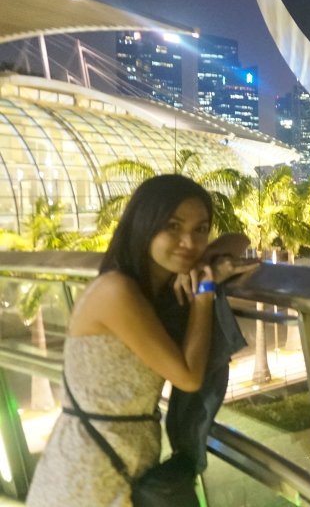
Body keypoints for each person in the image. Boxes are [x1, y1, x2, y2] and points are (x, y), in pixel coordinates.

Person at [26, 175, 256, 506]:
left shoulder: (151, 290)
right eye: (173, 227)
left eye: (200, 229)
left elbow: (239, 238)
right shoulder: (116, 291)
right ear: (144, 225)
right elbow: (188, 377)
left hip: (121, 462)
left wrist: (205, 260)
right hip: (89, 476)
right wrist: (204, 289)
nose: (188, 242)